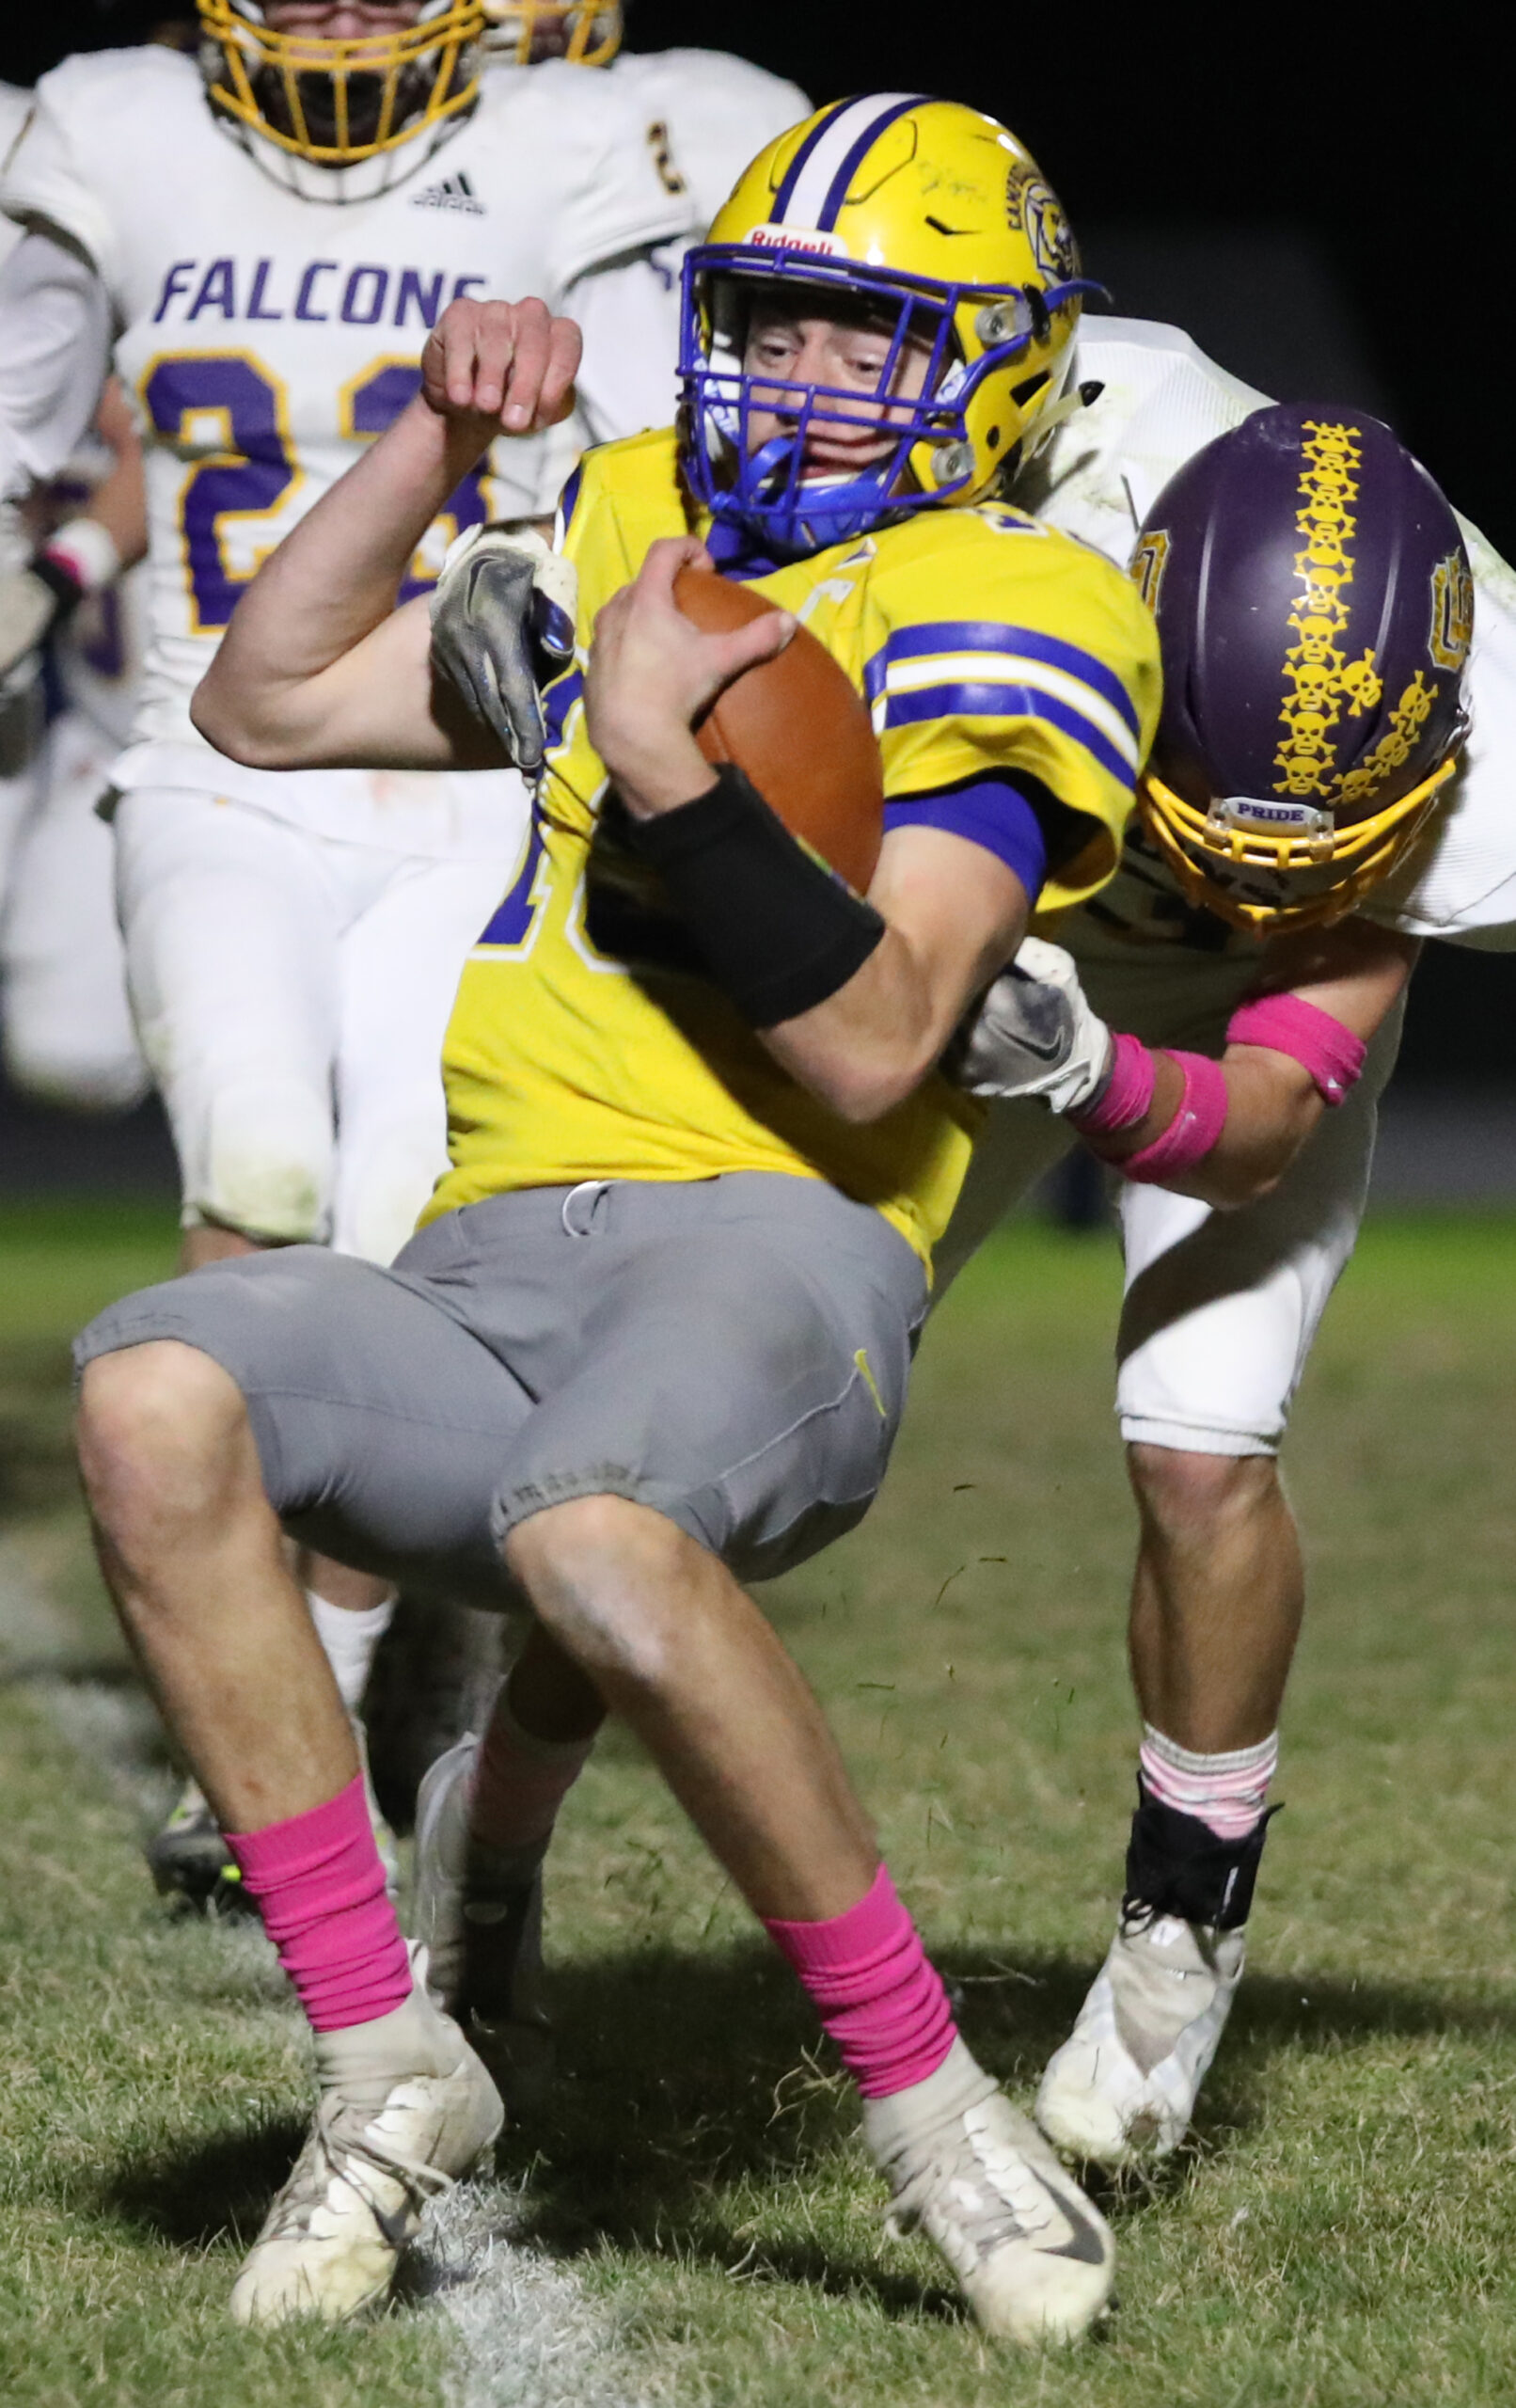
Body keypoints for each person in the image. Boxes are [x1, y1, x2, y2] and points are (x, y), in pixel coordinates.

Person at [74, 96, 1159, 2338]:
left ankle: (932, 2113)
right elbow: (265, 699)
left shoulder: (1020, 599)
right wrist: (417, 443)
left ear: (993, 366)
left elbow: (876, 1045)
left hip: (774, 1246)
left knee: (588, 1527)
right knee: (153, 1384)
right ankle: (387, 2060)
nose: (788, 375)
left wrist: (660, 756)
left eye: (860, 337)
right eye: (759, 319)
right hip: (486, 1255)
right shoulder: (633, 516)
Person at [0, 0, 788, 1902]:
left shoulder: (612, 135)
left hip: (458, 768)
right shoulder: (102, 130)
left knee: (390, 1228)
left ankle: (327, 1673)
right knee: (256, 1169)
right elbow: (28, 455)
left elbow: (655, 468)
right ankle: (258, 1709)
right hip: (213, 749)